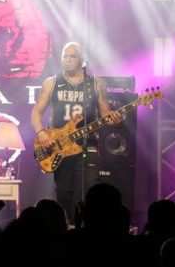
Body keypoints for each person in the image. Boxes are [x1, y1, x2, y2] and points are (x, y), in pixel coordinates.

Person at [31, 42, 121, 223]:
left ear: (82, 60)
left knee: (89, 192)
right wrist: (41, 132)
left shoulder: (95, 84)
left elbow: (106, 114)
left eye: (72, 56)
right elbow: (36, 112)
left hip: (88, 145)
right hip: (60, 146)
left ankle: (88, 230)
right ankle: (65, 228)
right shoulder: (52, 83)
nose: (68, 60)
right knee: (64, 194)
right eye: (65, 56)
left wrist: (115, 119)